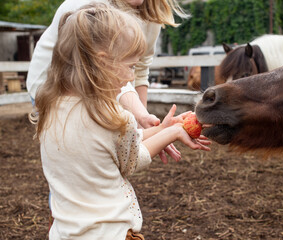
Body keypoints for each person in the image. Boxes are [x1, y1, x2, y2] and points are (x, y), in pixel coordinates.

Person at [30, 3, 210, 239]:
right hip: (112, 232)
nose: (131, 77)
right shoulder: (110, 117)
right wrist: (172, 133)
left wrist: (165, 126)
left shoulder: (51, 111)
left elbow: (116, 143)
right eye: (130, 66)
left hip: (65, 233)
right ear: (103, 62)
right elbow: (133, 158)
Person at [26, 0, 189, 164]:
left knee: (82, 166)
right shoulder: (89, 10)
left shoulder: (151, 15)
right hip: (60, 86)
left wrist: (145, 122)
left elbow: (138, 69)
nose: (131, 77)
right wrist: (166, 133)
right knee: (72, 162)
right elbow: (132, 158)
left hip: (102, 87)